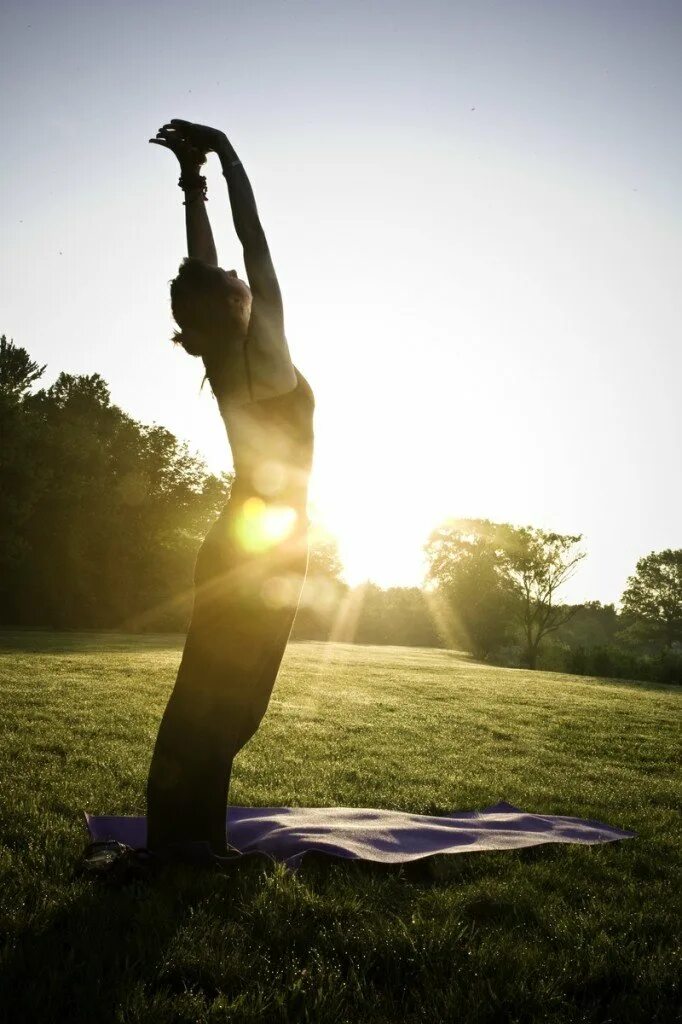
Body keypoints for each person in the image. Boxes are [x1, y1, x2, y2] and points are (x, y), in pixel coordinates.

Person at [145, 120, 314, 857]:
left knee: (202, 693)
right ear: (237, 305)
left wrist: (192, 180)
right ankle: (192, 850)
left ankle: (183, 839)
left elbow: (206, 268)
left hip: (231, 540)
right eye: (239, 289)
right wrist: (228, 153)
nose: (247, 282)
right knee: (234, 702)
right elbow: (254, 244)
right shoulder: (262, 343)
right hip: (271, 548)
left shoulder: (221, 352)